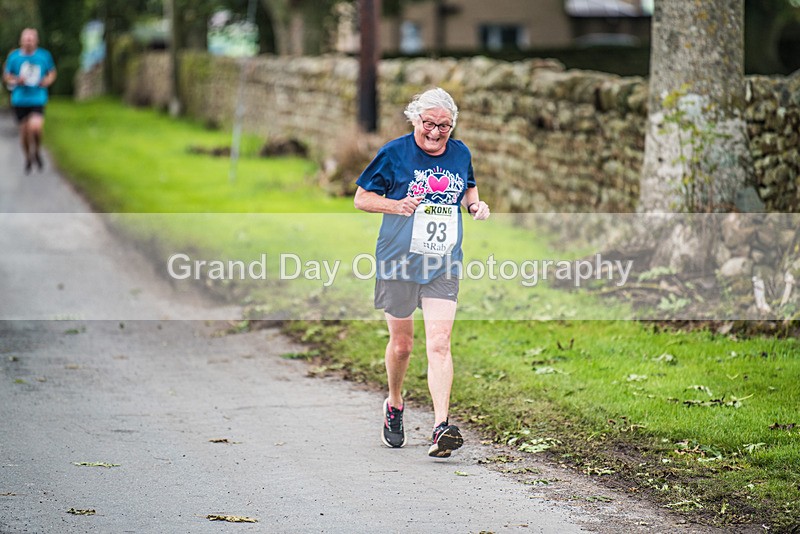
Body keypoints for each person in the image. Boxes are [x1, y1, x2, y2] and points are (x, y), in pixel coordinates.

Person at [354, 87, 490, 458]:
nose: (435, 132)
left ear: (452, 126)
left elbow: (468, 187)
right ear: (415, 119)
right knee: (402, 345)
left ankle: (440, 427)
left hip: (442, 262)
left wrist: (476, 206)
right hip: (398, 261)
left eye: (444, 126)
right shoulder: (395, 152)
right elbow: (362, 198)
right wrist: (396, 206)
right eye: (429, 123)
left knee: (440, 342)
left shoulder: (460, 153)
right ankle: (395, 404)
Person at [2, 28, 57, 174]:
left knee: (36, 128)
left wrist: (46, 81)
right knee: (25, 133)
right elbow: (7, 76)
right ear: (21, 40)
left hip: (37, 97)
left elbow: (51, 72)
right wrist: (16, 80)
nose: (28, 41)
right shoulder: (14, 57)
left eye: (31, 39)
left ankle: (37, 150)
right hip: (20, 99)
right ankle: (28, 156)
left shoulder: (44, 56)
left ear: (36, 41)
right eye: (26, 39)